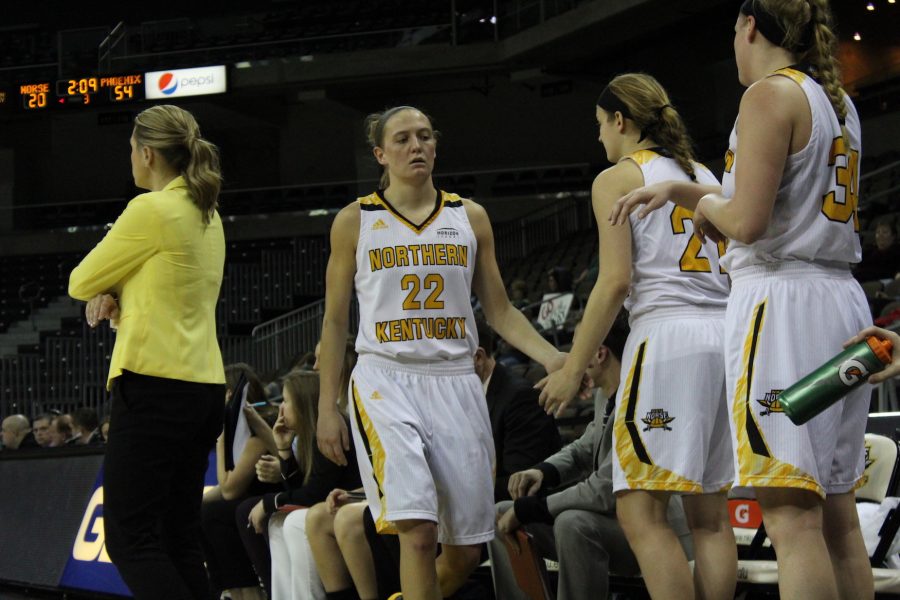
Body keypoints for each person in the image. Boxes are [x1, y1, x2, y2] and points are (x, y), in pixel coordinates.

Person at [611, 3, 871, 598]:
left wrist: (701, 205)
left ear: (749, 26)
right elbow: (772, 200)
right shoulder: (837, 101)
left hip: (784, 310)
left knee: (789, 517)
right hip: (839, 303)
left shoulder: (765, 96)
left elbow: (746, 222)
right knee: (838, 520)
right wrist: (686, 188)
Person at [316, 105, 567, 600]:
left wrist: (554, 357)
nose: (417, 146)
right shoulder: (354, 221)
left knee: (465, 550)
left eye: (425, 137)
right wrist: (328, 406)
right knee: (417, 530)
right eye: (404, 139)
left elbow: (499, 310)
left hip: (455, 378)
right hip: (386, 377)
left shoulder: (468, 217)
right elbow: (334, 321)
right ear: (381, 154)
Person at [538, 73, 736, 600]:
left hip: (667, 338)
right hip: (722, 335)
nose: (600, 138)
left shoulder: (617, 176)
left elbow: (615, 281)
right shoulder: (704, 174)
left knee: (639, 509)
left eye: (601, 125)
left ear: (620, 121)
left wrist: (573, 368)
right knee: (711, 516)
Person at [68, 104, 226, 600]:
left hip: (155, 387)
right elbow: (167, 288)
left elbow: (79, 280)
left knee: (131, 541)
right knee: (178, 539)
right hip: (203, 389)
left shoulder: (150, 210)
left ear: (148, 154)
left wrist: (106, 289)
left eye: (131, 151)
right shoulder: (208, 212)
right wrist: (120, 295)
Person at [491, 317, 691, 600]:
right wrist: (544, 471)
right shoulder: (604, 396)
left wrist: (530, 508)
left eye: (578, 347)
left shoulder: (641, 399)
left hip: (657, 535)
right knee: (499, 512)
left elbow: (602, 490)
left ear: (599, 352)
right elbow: (583, 449)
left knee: (573, 524)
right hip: (614, 524)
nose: (573, 358)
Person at [239, 369, 361, 598]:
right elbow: (299, 489)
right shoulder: (308, 436)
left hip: (350, 504)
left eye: (286, 401)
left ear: (303, 404)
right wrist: (284, 449)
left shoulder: (328, 432)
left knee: (293, 521)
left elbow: (315, 494)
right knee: (277, 521)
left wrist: (268, 502)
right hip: (333, 505)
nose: (280, 408)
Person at [201, 364, 278, 600]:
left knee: (214, 514)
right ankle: (227, 590)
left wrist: (221, 433)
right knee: (200, 511)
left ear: (229, 395)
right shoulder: (241, 429)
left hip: (267, 502)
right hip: (247, 503)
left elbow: (230, 489)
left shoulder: (257, 431)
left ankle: (247, 592)